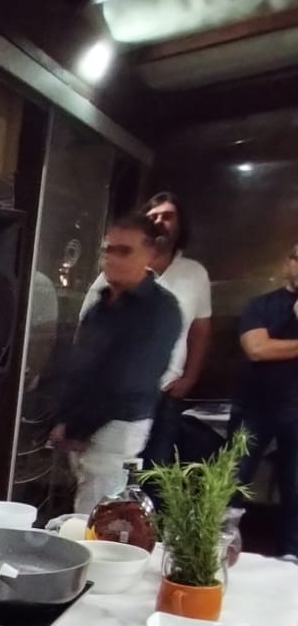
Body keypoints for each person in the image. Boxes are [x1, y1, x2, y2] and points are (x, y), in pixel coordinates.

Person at [49, 213, 181, 515]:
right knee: (85, 507)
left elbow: (127, 381)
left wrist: (77, 428)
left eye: (124, 251)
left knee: (96, 515)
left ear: (150, 253)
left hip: (117, 425)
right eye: (108, 249)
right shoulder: (102, 304)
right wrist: (64, 419)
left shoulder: (160, 309)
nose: (111, 258)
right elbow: (80, 367)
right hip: (82, 421)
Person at [78, 190, 211, 466]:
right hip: (111, 398)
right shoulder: (112, 274)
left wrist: (190, 378)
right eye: (154, 216)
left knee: (154, 467)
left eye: (168, 216)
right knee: (101, 472)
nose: (161, 221)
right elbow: (87, 329)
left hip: (166, 388)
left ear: (180, 223)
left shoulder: (193, 274)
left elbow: (200, 330)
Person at [233, 241, 298, 562]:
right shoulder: (262, 305)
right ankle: (219, 546)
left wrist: (280, 346)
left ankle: (291, 557)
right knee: (232, 482)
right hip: (253, 407)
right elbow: (257, 349)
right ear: (289, 262)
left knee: (296, 489)